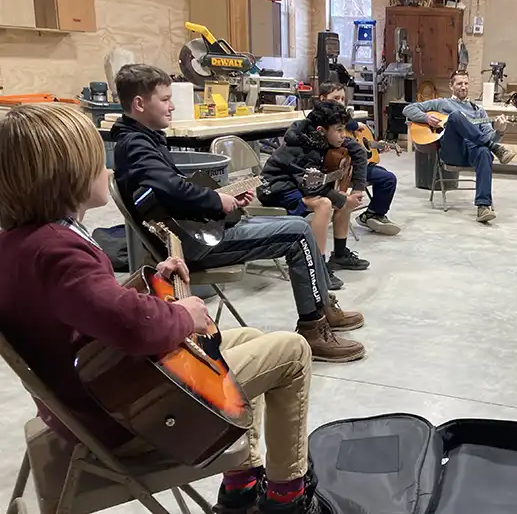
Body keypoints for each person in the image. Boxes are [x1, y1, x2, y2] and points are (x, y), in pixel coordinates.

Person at [0, 103, 320, 514]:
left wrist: (158, 286)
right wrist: (183, 314)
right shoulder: (59, 252)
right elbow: (132, 327)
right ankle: (286, 497)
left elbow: (91, 311)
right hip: (124, 413)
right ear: (68, 177)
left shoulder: (23, 244)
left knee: (252, 340)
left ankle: (242, 482)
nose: (109, 172)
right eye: (99, 163)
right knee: (292, 352)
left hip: (95, 394)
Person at [110, 64, 364, 363]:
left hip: (198, 230)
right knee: (298, 231)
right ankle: (313, 327)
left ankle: (323, 308)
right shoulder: (135, 145)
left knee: (297, 226)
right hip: (194, 244)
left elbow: (171, 191)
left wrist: (223, 196)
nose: (172, 105)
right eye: (165, 99)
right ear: (140, 104)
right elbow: (170, 189)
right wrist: (216, 202)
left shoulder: (143, 139)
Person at [259, 98, 371, 285]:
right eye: (339, 130)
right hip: (277, 188)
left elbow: (358, 151)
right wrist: (343, 201)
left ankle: (340, 254)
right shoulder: (299, 147)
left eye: (344, 129)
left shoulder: (328, 137)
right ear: (321, 131)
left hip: (300, 185)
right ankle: (318, 267)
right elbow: (312, 186)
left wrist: (358, 189)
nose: (343, 135)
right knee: (325, 203)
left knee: (342, 197)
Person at [403, 70, 516, 223]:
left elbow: (489, 135)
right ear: (451, 86)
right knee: (456, 116)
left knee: (484, 152)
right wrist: (426, 117)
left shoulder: (478, 110)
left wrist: (499, 131)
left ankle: (483, 207)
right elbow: (408, 110)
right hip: (452, 151)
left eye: (466, 83)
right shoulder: (442, 103)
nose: (463, 87)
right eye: (459, 83)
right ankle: (495, 148)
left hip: (472, 152)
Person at [317, 83, 401, 236]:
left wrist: (376, 147)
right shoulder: (322, 118)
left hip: (353, 164)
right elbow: (347, 124)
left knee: (384, 174)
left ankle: (373, 213)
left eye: (342, 98)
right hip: (339, 169)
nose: (340, 102)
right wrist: (355, 124)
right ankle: (373, 214)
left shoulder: (344, 119)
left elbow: (360, 145)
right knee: (387, 178)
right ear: (322, 99)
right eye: (335, 98)